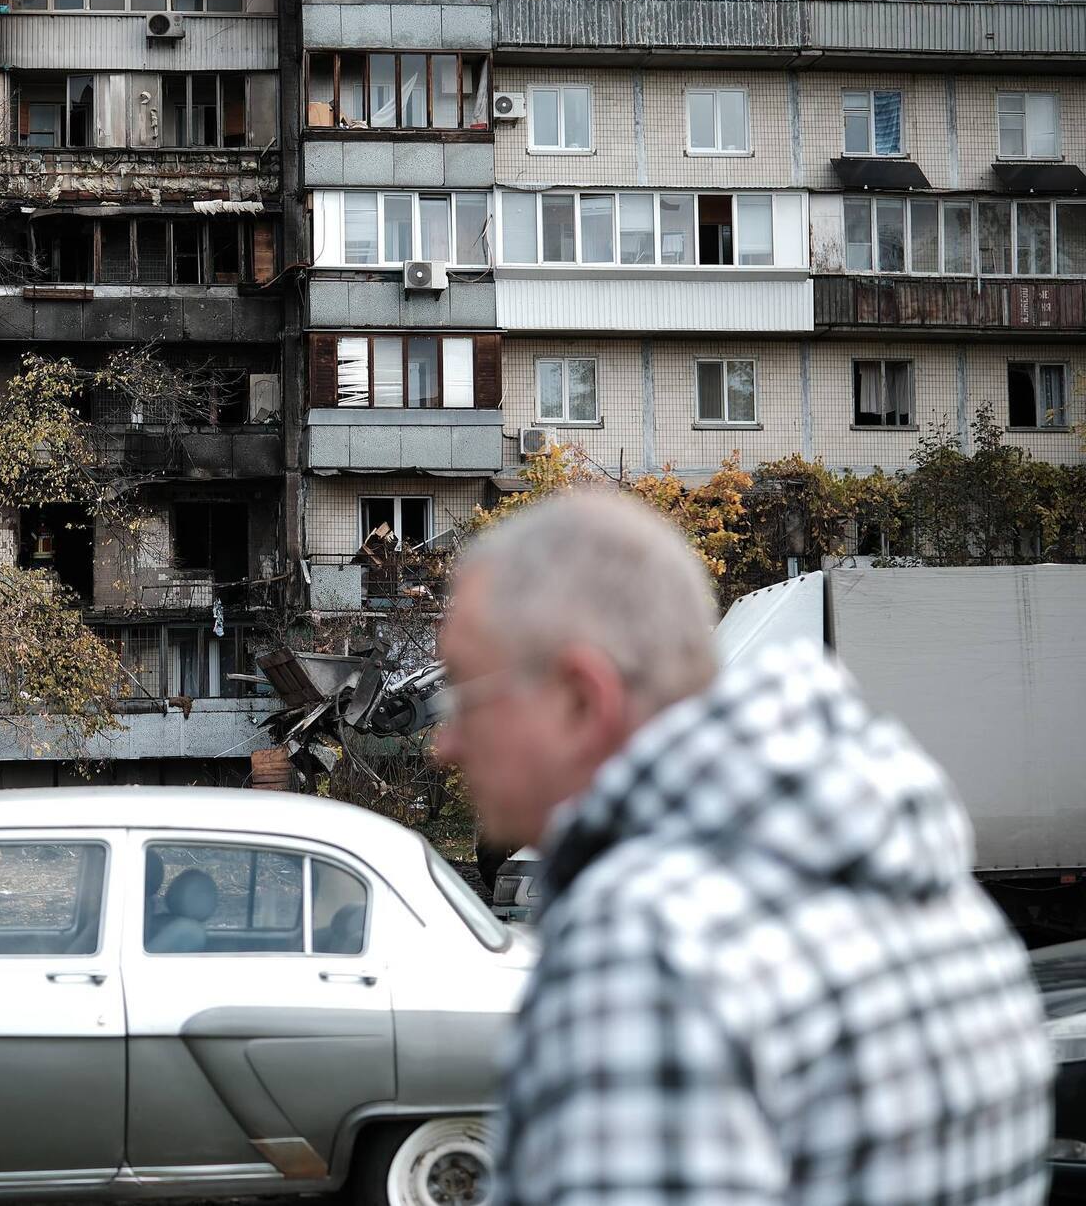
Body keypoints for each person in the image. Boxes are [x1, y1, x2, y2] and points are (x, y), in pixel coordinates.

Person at [433, 489, 1053, 1205]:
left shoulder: (647, 946)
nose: (447, 745)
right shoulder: (936, 895)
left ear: (581, 698)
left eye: (464, 691)